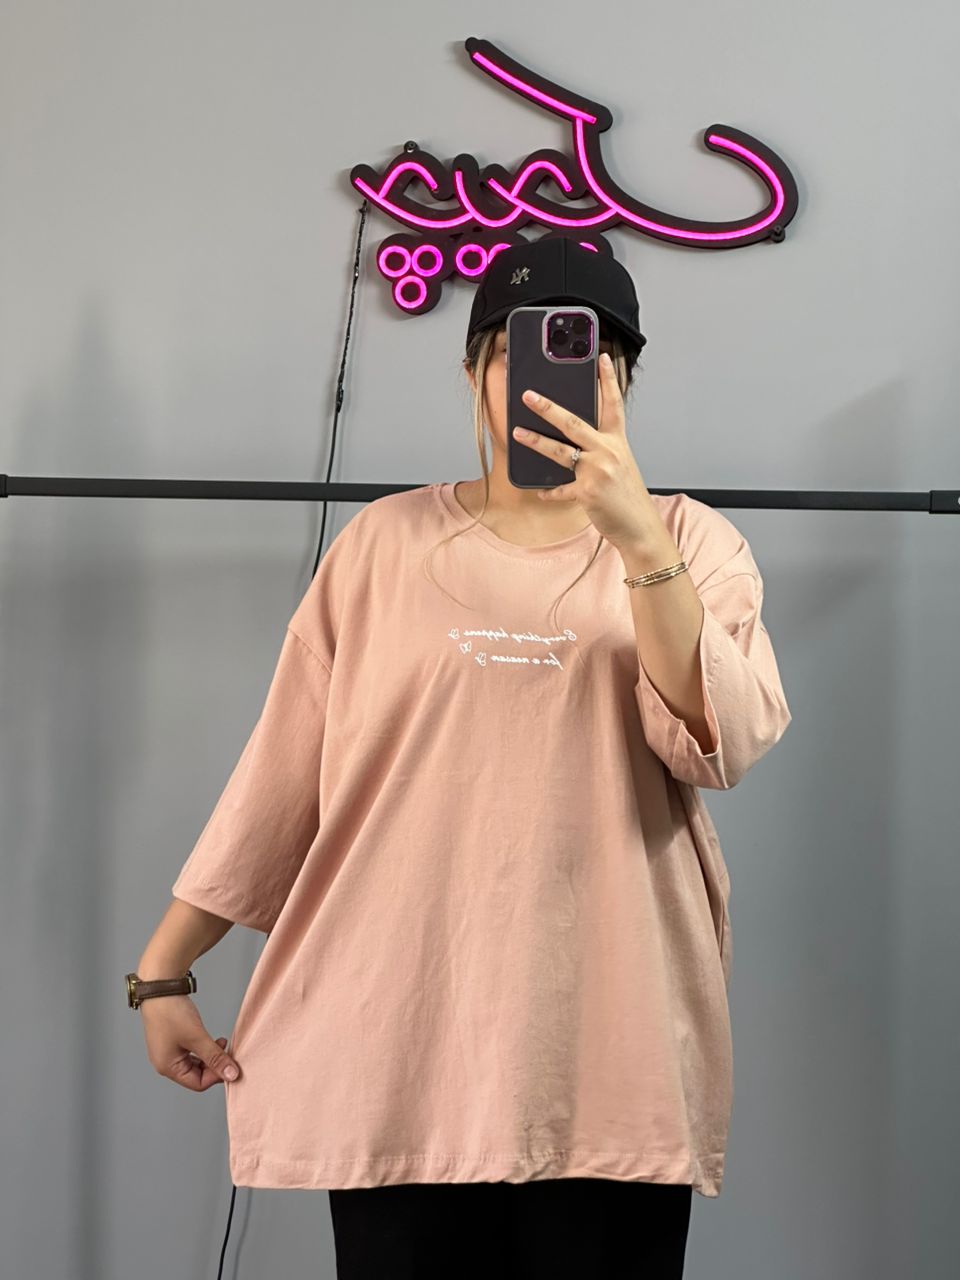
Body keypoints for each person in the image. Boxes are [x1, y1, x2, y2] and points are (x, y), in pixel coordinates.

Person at [132, 236, 792, 1279]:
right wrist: (163, 970)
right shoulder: (383, 544)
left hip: (608, 1048)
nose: (543, 386)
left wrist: (636, 540)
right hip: (402, 1046)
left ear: (622, 382)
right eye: (511, 357)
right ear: (474, 371)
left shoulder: (691, 541)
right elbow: (283, 777)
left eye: (589, 361)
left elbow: (721, 741)